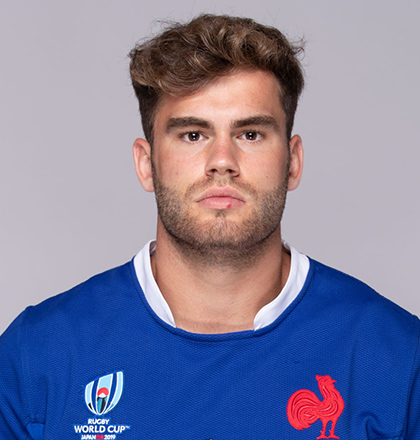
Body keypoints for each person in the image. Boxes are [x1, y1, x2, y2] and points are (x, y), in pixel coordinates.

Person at [1, 14, 419, 440]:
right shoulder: (37, 356)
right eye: (192, 135)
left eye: (250, 134)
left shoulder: (399, 359)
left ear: (293, 162)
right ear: (146, 164)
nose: (222, 161)